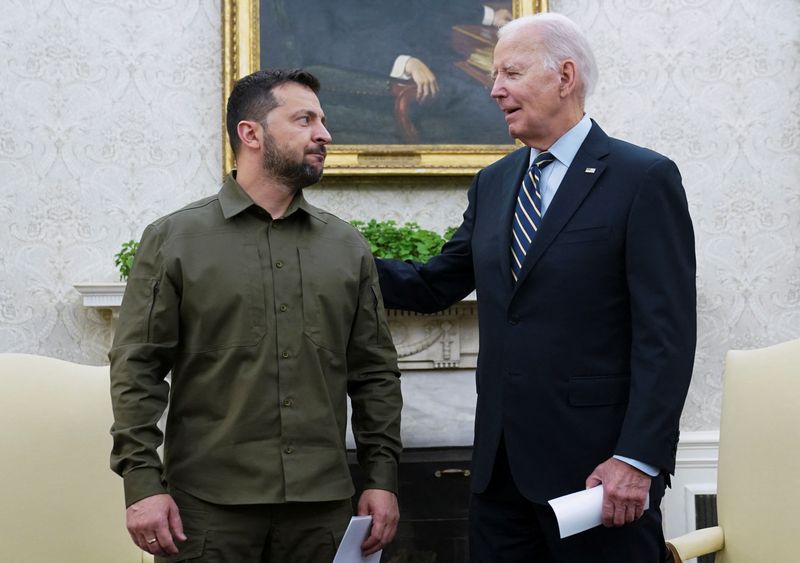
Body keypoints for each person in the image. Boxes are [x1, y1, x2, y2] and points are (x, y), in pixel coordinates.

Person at [376, 13, 696, 562]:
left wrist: (637, 459)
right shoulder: (495, 182)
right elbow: (434, 285)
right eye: (495, 75)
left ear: (565, 76)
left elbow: (665, 336)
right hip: (500, 482)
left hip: (599, 479)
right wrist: (331, 256)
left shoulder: (642, 178)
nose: (494, 88)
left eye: (511, 73)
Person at [109, 68, 403, 562]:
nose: (324, 135)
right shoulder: (174, 240)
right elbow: (136, 368)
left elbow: (374, 373)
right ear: (251, 133)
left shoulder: (346, 245)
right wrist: (142, 482)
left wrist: (382, 478)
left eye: (323, 121)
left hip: (323, 512)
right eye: (305, 119)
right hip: (206, 512)